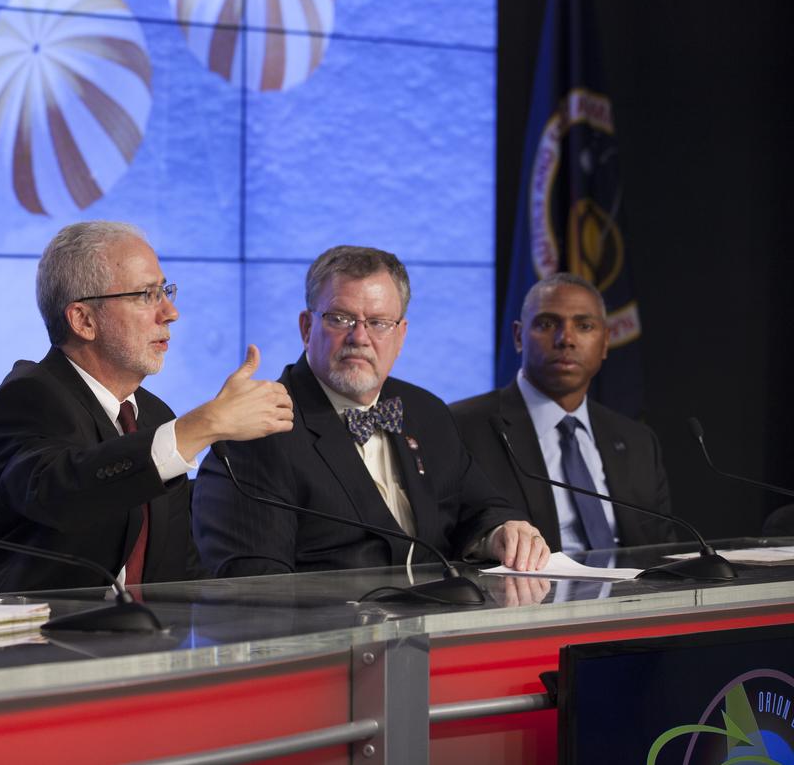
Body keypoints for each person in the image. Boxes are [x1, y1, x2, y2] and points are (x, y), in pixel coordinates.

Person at [0, 221, 293, 594]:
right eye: (146, 295)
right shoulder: (28, 397)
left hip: (144, 644)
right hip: (38, 642)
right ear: (84, 320)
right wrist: (205, 424)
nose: (170, 312)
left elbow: (179, 577)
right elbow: (65, 495)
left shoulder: (154, 417)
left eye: (165, 291)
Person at [193, 245, 550, 577]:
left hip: (439, 633)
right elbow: (254, 589)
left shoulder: (427, 412)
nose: (360, 338)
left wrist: (502, 531)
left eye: (378, 323)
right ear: (306, 327)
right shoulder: (259, 430)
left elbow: (481, 509)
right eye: (340, 319)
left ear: (401, 334)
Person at [450, 273, 675, 554]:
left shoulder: (638, 441)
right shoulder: (462, 428)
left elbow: (663, 550)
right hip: (529, 594)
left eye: (584, 326)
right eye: (547, 324)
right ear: (519, 337)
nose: (565, 339)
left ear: (605, 342)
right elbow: (451, 537)